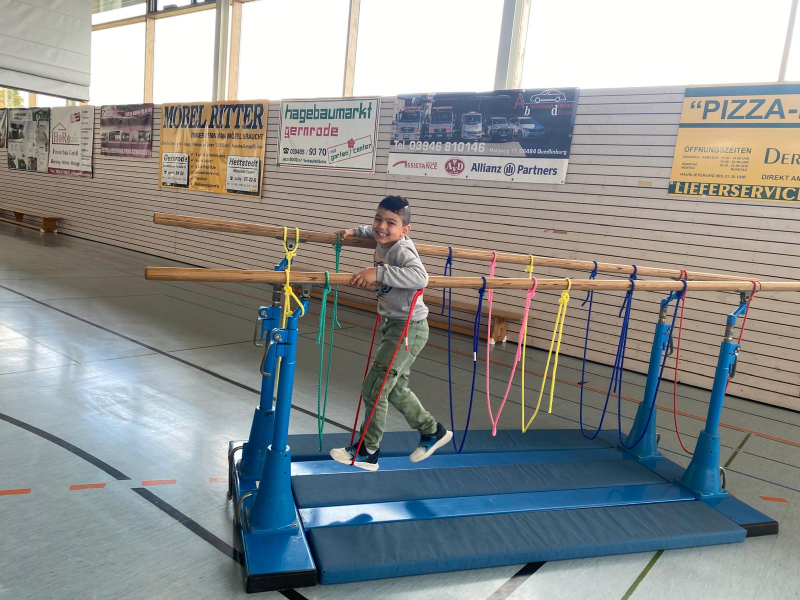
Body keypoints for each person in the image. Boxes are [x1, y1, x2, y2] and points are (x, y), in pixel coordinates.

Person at [329, 195, 452, 471]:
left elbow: (420, 277)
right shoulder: (384, 238)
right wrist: (354, 231)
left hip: (407, 330)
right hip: (396, 326)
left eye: (390, 223)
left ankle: (368, 450)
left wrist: (378, 272)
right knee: (395, 389)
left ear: (405, 230)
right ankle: (432, 431)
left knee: (375, 388)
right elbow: (373, 230)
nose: (381, 227)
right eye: (378, 219)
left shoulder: (401, 250)